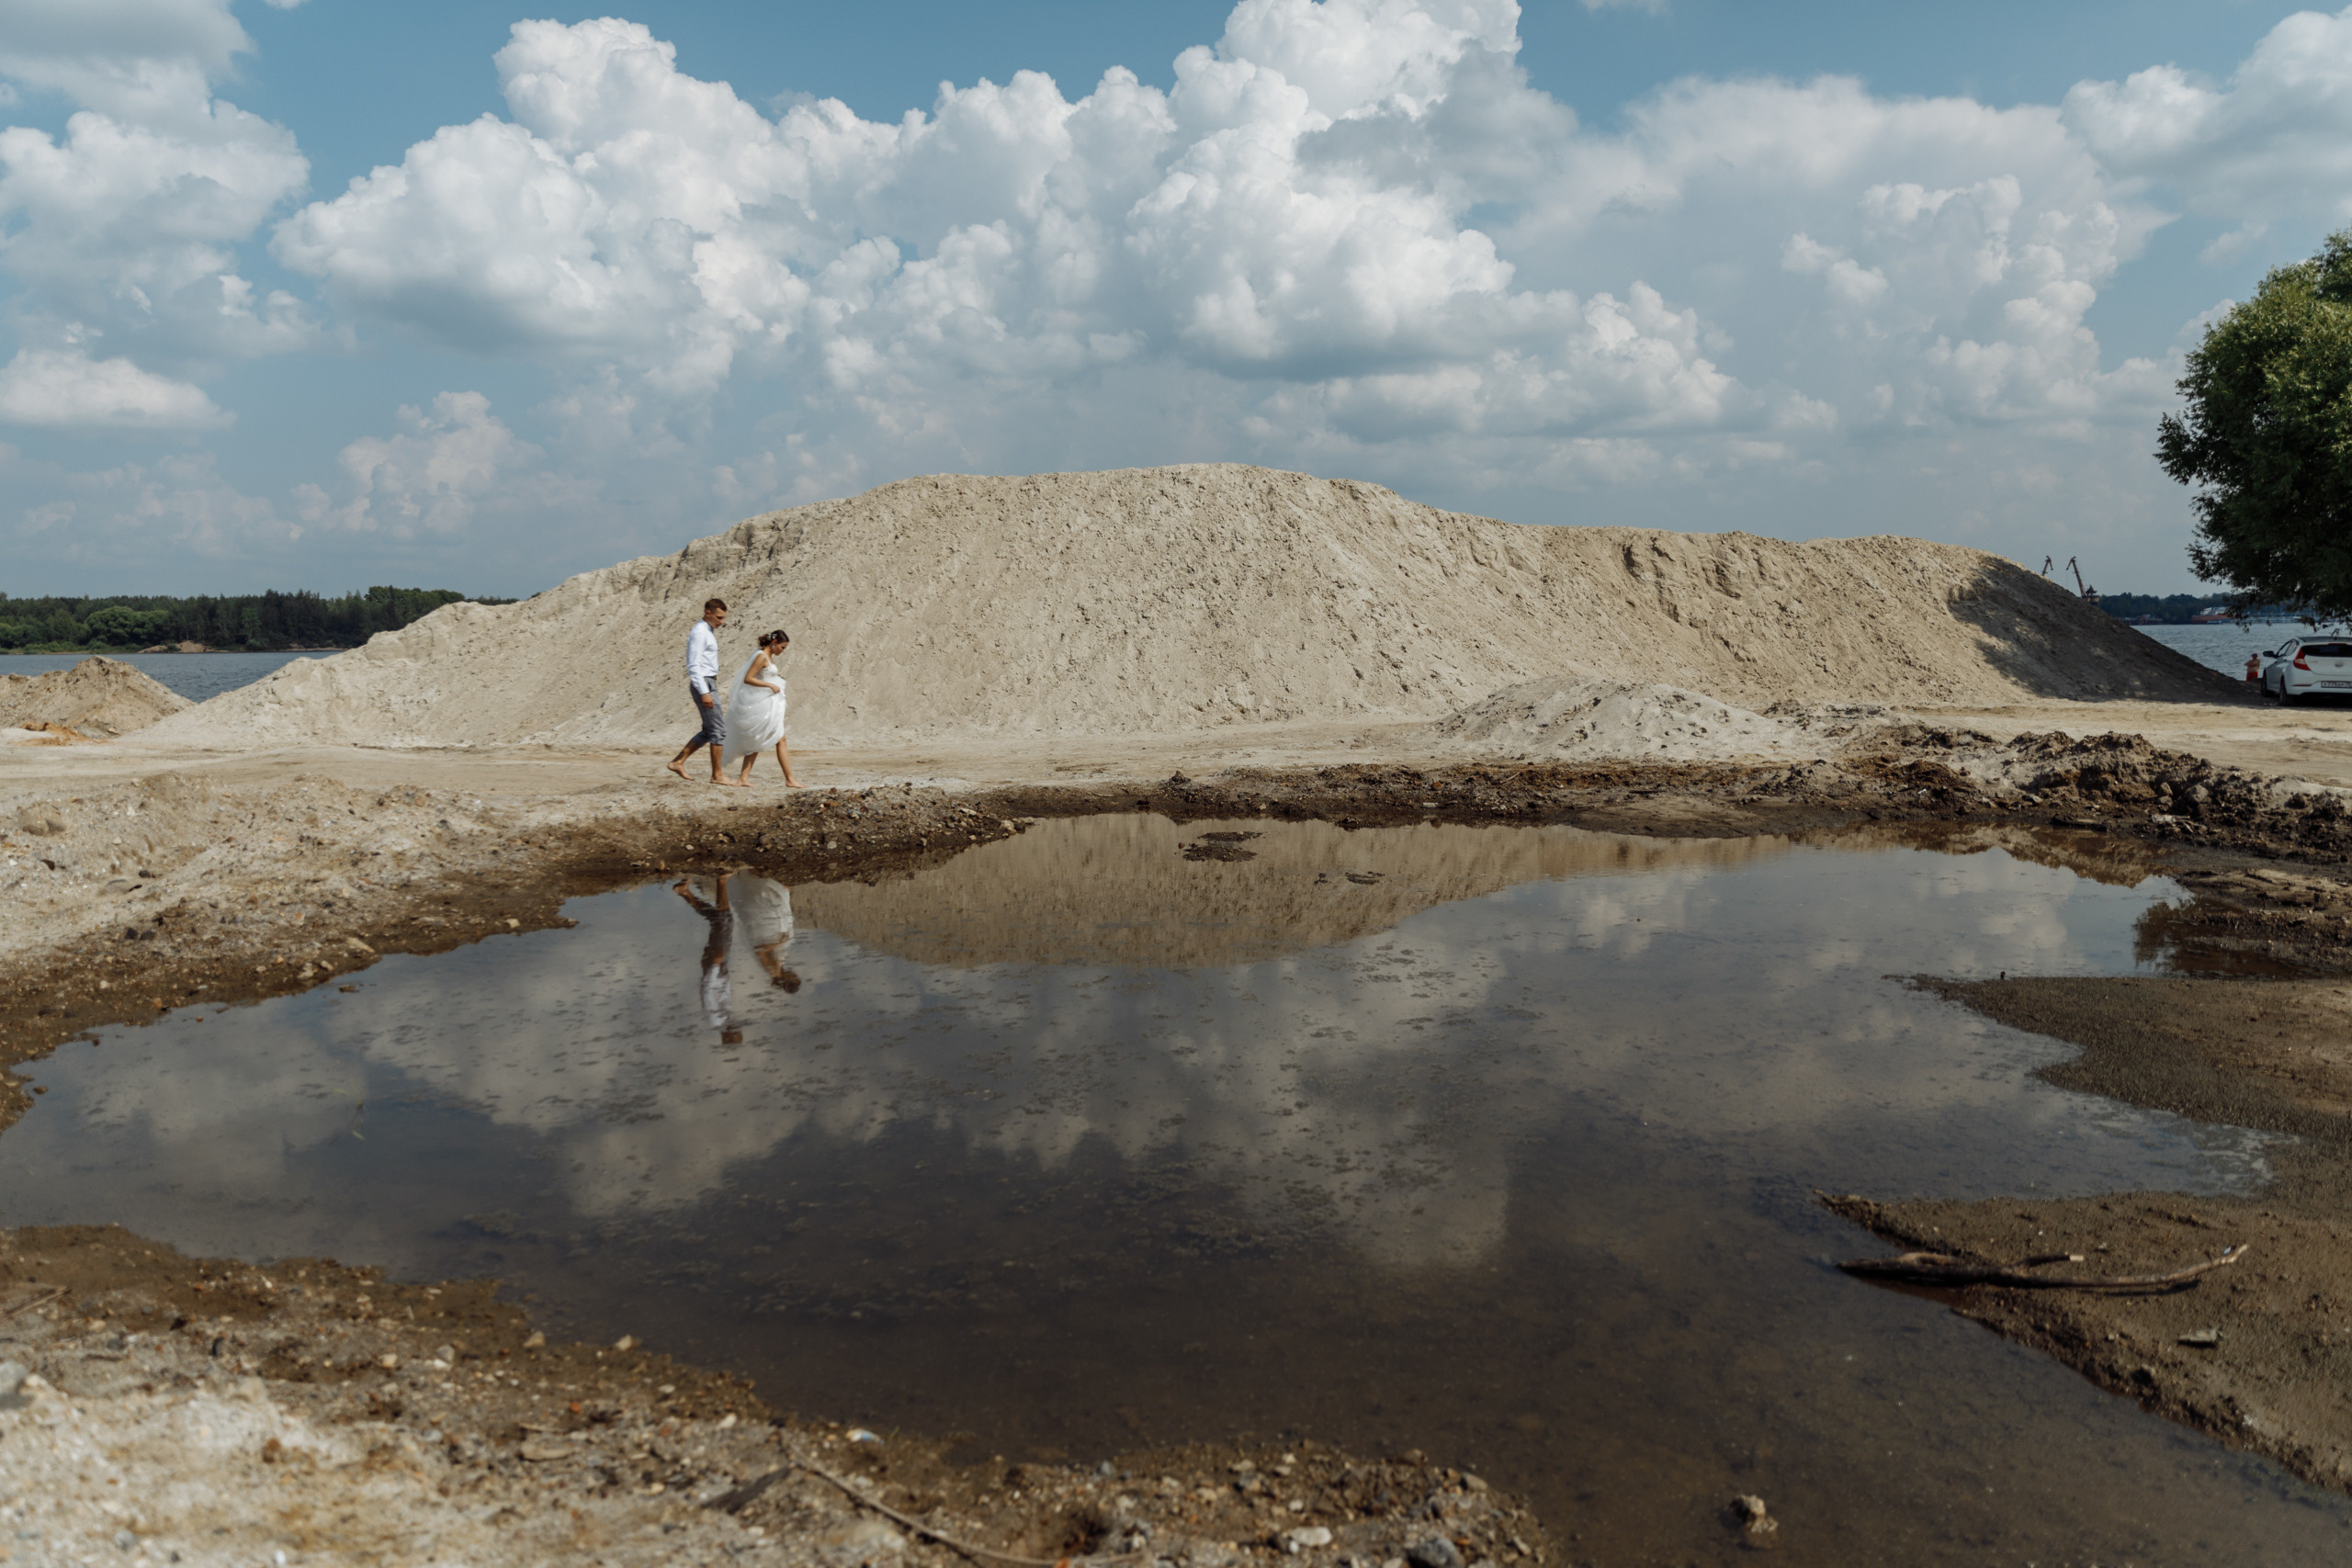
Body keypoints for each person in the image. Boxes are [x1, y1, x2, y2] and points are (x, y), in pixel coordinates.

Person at [667, 598, 741, 785]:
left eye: (723, 618)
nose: (721, 622)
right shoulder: (699, 633)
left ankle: (678, 762)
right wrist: (704, 692)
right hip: (704, 683)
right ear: (708, 613)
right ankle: (717, 775)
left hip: (709, 682)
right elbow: (693, 666)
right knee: (719, 730)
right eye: (719, 617)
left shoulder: (707, 631)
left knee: (709, 730)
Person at [722, 628, 803, 787]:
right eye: (782, 647)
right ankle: (790, 779)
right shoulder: (761, 656)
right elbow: (748, 678)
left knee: (764, 739)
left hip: (768, 704)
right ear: (774, 643)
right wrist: (769, 685)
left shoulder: (767, 656)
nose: (783, 651)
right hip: (763, 705)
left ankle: (743, 778)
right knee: (777, 740)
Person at [674, 873, 744, 1044]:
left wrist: (714, 966)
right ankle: (685, 892)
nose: (739, 1029)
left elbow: (707, 992)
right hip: (721, 968)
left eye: (737, 1034)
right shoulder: (724, 1021)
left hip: (715, 967)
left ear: (727, 1036)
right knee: (718, 920)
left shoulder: (716, 1020)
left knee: (724, 920)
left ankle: (722, 880)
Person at [734, 872, 802, 992]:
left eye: (794, 977)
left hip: (765, 932)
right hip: (771, 932)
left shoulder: (774, 971)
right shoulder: (778, 970)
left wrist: (780, 943)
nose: (795, 973)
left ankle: (755, 875)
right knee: (779, 896)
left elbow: (760, 951)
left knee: (765, 897)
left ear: (787, 981)